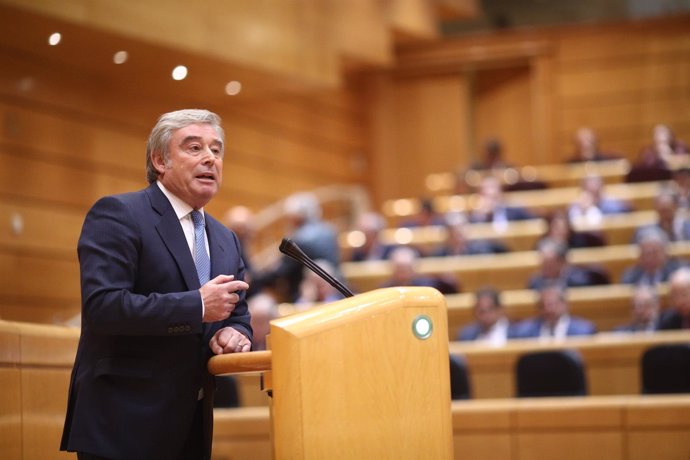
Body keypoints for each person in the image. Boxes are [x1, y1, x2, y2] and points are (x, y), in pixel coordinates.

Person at [60, 109, 253, 460]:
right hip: (123, 424)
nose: (210, 157)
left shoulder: (226, 239)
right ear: (159, 159)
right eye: (194, 148)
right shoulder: (119, 214)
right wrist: (196, 305)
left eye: (216, 149)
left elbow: (236, 313)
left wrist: (235, 333)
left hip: (192, 425)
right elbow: (104, 307)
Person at [257, 191, 341, 303]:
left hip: (309, 298)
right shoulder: (330, 231)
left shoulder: (299, 239)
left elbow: (280, 273)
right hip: (336, 290)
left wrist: (256, 280)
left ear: (295, 217)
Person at [510, 282, 596, 340]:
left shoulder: (583, 331)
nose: (548, 309)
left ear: (565, 304)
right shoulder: (524, 332)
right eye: (543, 305)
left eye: (552, 304)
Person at [527, 239, 603, 290]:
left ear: (562, 263)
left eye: (550, 264)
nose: (545, 267)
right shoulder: (535, 282)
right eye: (544, 263)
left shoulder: (578, 280)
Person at [621, 227, 685, 286]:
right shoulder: (630, 277)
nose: (649, 258)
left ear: (664, 253)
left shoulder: (677, 273)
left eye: (654, 253)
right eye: (646, 254)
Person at [468, 176, 534, 228]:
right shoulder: (477, 215)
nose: (491, 192)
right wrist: (481, 215)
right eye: (487, 194)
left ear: (500, 191)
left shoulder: (515, 209)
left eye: (493, 187)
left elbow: (533, 224)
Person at [567, 174, 632, 226]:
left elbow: (620, 220)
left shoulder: (611, 203)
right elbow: (574, 224)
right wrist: (585, 210)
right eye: (590, 192)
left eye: (596, 192)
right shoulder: (576, 206)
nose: (593, 197)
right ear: (583, 191)